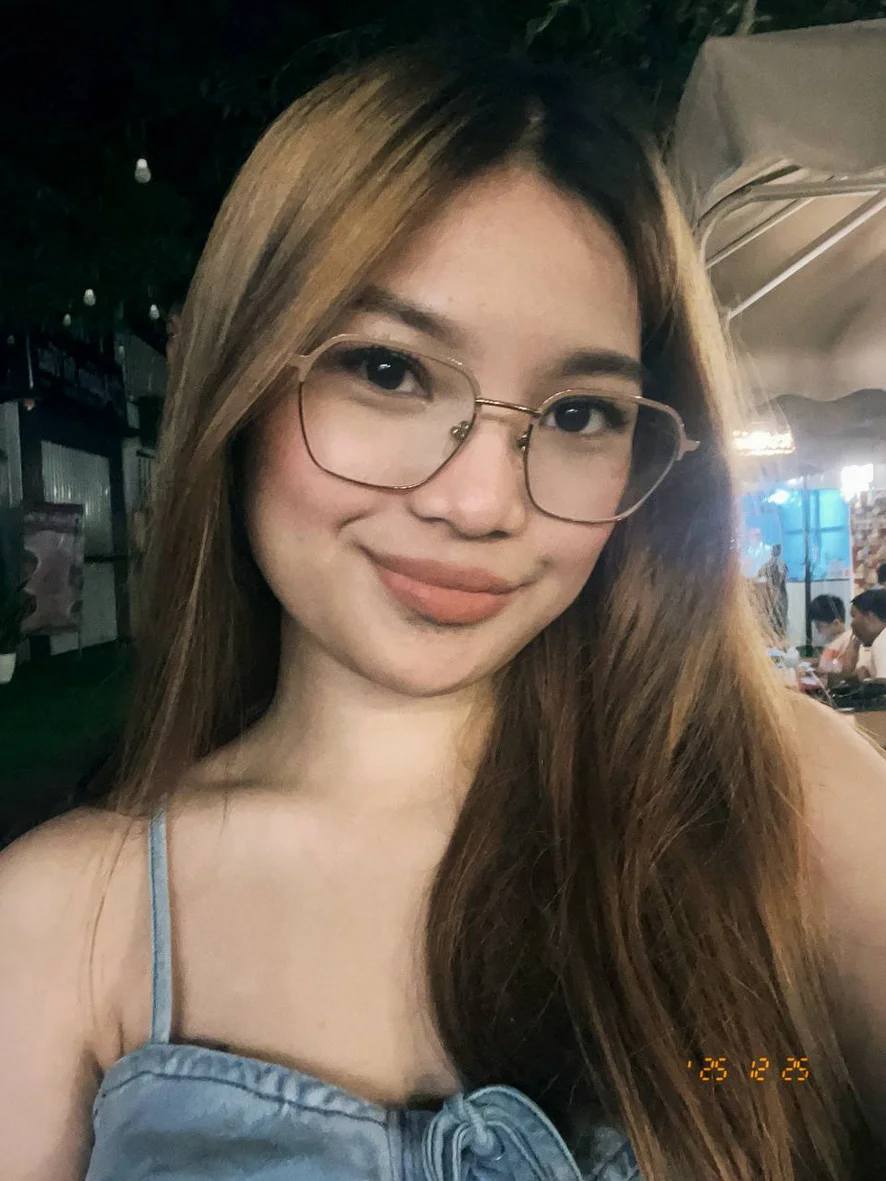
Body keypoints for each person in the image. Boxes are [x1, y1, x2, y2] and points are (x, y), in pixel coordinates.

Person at [1, 44, 886, 1181]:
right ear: (239, 378)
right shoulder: (65, 921)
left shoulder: (772, 796)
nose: (481, 503)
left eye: (578, 412)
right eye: (388, 370)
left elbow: (773, 1079)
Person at [844, 588, 886, 681]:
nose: (851, 624)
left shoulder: (882, 641)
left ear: (870, 617)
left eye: (854, 616)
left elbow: (882, 687)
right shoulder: (876, 642)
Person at [808, 594, 853, 675]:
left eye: (819, 625)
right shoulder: (834, 641)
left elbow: (834, 671)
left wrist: (819, 670)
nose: (818, 630)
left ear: (836, 623)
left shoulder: (847, 641)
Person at [757, 542, 789, 642]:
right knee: (774, 620)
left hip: (778, 596)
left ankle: (779, 642)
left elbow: (781, 578)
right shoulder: (769, 565)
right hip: (773, 596)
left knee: (778, 620)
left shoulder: (778, 564)